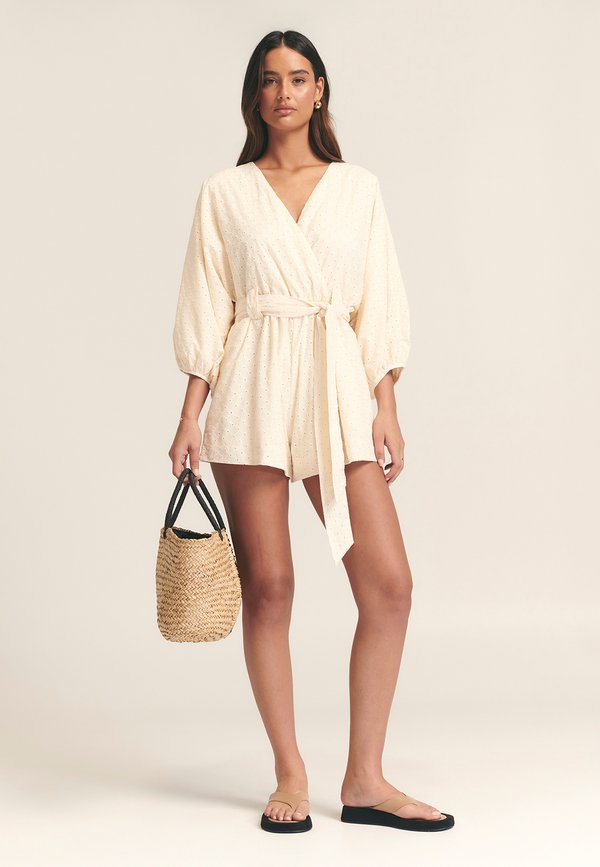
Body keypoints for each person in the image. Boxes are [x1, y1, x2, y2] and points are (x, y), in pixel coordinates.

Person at [168, 30, 454, 835]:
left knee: (389, 586)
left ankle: (365, 778)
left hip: (336, 388)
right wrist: (190, 414)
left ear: (320, 89)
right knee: (270, 586)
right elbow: (209, 308)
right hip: (252, 387)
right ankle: (289, 770)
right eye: (270, 80)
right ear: (255, 96)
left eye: (298, 78)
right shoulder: (225, 192)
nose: (284, 92)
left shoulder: (358, 187)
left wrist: (385, 403)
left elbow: (377, 300)